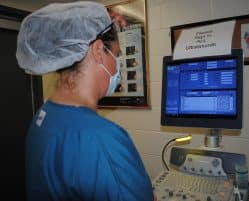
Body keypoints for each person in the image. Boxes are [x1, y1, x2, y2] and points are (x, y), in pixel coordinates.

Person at [16, 2, 155, 201]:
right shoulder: (101, 138)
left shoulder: (43, 116)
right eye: (116, 55)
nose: (117, 67)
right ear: (98, 50)